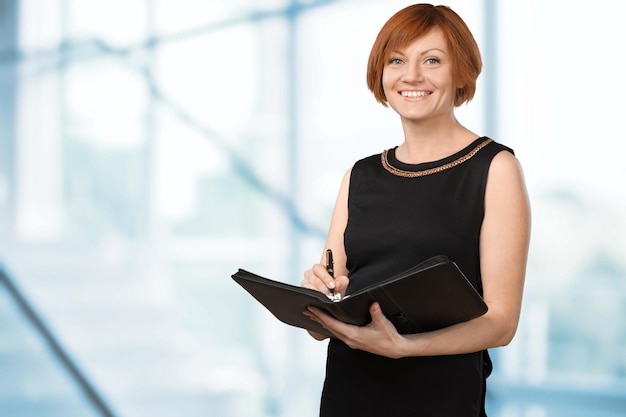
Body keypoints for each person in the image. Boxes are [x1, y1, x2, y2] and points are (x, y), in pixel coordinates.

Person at [300, 4, 531, 417]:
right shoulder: (359, 175)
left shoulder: (494, 168)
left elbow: (502, 323)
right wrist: (319, 296)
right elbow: (332, 305)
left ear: (461, 72)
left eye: (432, 60)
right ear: (381, 73)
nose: (411, 76)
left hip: (441, 399)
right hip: (349, 393)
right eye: (397, 60)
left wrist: (404, 348)